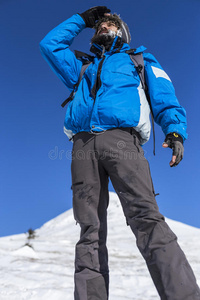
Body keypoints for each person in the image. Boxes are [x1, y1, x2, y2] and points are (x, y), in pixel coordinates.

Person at [40, 6, 200, 300]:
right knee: (89, 230)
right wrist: (82, 20)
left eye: (110, 23)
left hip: (122, 142)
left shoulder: (138, 59)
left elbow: (164, 95)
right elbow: (50, 45)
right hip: (82, 146)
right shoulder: (82, 68)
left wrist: (175, 131)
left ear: (122, 32)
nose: (104, 26)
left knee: (146, 217)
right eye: (99, 25)